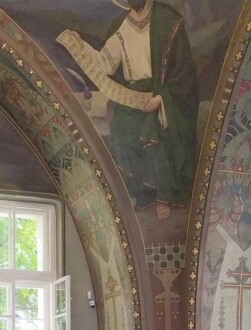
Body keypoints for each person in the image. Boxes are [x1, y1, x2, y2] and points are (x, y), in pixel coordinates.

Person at [60, 0, 198, 220]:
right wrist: (80, 46)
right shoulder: (121, 25)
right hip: (133, 95)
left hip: (161, 92)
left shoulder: (168, 21)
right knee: (120, 127)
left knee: (152, 131)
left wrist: (162, 97)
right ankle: (144, 193)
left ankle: (164, 196)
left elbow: (184, 70)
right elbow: (105, 64)